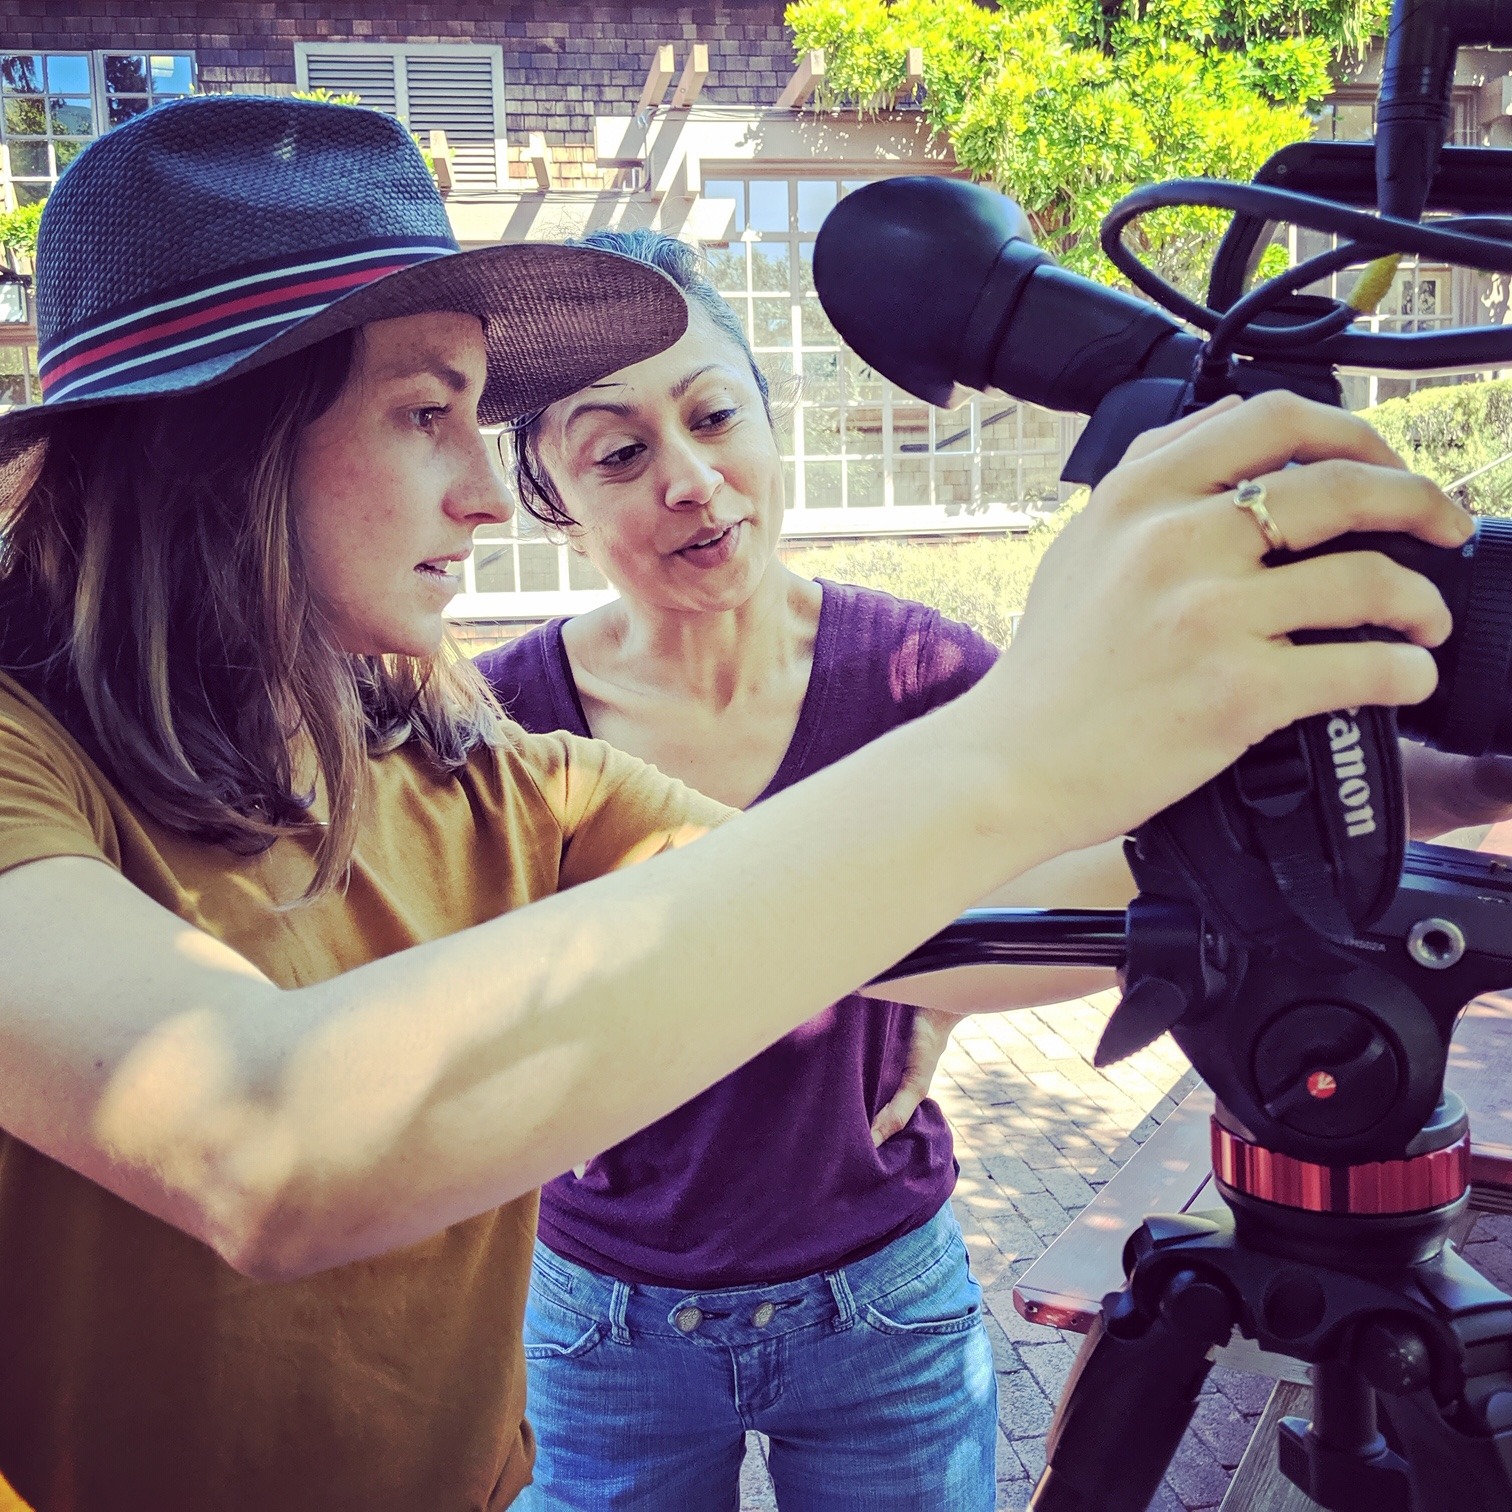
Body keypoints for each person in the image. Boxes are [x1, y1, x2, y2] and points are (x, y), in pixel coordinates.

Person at [0, 94, 1478, 1512]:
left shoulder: (472, 767)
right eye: (424, 414)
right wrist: (1028, 734)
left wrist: (1428, 776)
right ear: (219, 441)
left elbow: (938, 924)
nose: (489, 495)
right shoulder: (27, 771)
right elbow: (263, 1145)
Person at [477, 229, 1512, 1511]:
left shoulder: (918, 674)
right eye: (620, 453)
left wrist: (1471, 778)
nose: (690, 478)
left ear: (765, 414)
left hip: (882, 1306)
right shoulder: (499, 722)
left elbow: (1191, 780)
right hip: (603, 1323)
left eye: (713, 414)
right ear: (550, 497)